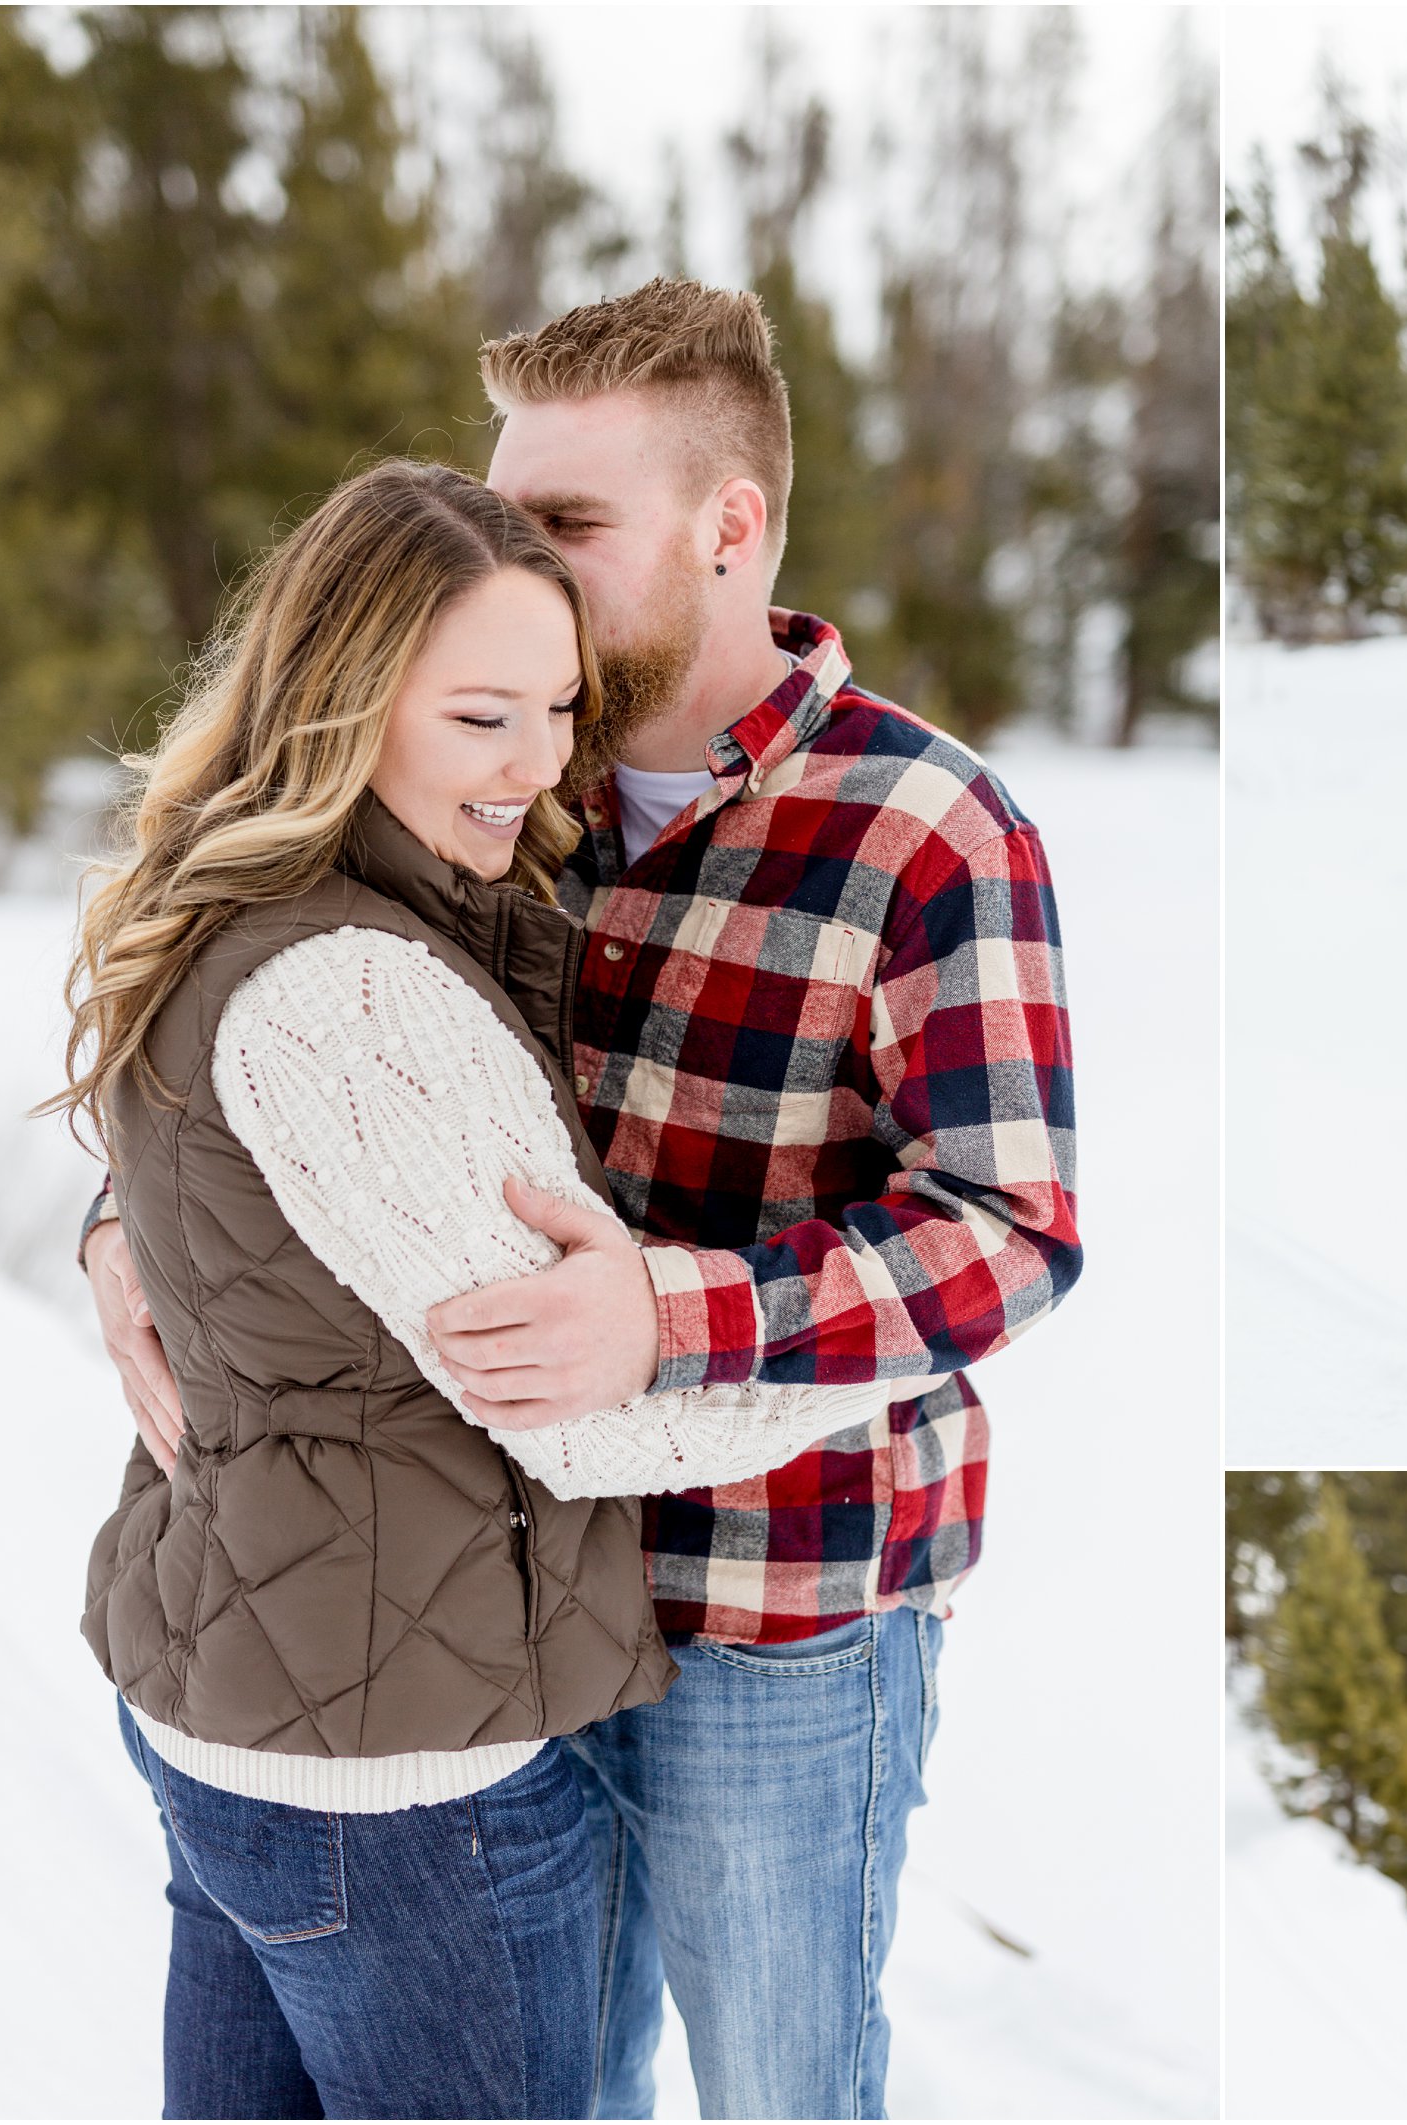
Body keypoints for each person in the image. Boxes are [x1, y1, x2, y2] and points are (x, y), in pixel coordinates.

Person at [80, 280, 1083, 2121]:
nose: (514, 561)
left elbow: (1011, 1234)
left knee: (781, 2089)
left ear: (731, 526)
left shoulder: (923, 829)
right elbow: (291, 1046)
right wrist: (124, 1226)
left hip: (777, 1611)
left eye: (570, 525)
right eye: (505, 506)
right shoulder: (491, 780)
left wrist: (675, 1315)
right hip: (488, 1630)